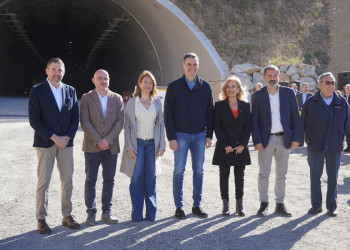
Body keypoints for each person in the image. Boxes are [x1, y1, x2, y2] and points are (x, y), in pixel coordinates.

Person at [28, 58, 80, 234]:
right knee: (44, 181)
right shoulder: (37, 91)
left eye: (60, 70)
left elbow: (75, 117)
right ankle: (41, 218)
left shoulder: (71, 91)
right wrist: (53, 137)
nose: (57, 73)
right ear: (47, 71)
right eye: (53, 69)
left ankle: (67, 215)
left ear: (64, 72)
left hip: (66, 143)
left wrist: (67, 137)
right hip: (45, 143)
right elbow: (34, 120)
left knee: (68, 180)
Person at [164, 52, 214, 219]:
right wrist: (171, 137)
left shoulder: (205, 86)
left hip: (200, 135)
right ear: (183, 65)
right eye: (189, 64)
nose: (192, 68)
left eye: (194, 65)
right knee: (179, 171)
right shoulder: (174, 86)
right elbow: (168, 114)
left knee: (199, 171)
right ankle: (179, 207)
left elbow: (210, 113)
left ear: (198, 66)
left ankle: (196, 205)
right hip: (180, 135)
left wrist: (209, 135)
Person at [251, 65, 301, 217]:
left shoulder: (288, 93)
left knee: (282, 174)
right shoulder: (258, 96)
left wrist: (296, 138)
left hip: (284, 139)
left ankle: (280, 204)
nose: (272, 78)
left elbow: (295, 116)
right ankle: (263, 203)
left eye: (275, 75)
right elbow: (255, 121)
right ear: (264, 77)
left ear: (279, 77)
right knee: (264, 173)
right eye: (269, 75)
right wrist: (257, 140)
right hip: (266, 140)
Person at [80, 69, 124, 226]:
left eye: (106, 78)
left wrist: (108, 140)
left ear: (109, 80)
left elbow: (120, 121)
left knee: (109, 179)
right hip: (92, 147)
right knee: (91, 180)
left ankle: (107, 212)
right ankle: (90, 213)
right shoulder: (87, 98)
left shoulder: (117, 98)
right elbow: (84, 121)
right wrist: (99, 140)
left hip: (111, 148)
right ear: (93, 80)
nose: (103, 81)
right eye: (100, 78)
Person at [120, 70, 166, 222]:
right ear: (139, 84)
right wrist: (128, 146)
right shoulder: (132, 103)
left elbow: (160, 125)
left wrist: (162, 145)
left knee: (151, 179)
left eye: (150, 82)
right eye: (145, 82)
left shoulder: (157, 102)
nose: (147, 84)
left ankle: (151, 214)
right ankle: (137, 214)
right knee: (136, 178)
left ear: (153, 85)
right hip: (137, 144)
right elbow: (127, 126)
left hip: (152, 145)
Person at [302, 72, 349, 217]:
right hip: (315, 146)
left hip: (334, 146)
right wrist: (308, 138)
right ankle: (316, 206)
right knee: (315, 177)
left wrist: (340, 137)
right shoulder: (310, 102)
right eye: (327, 82)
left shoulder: (342, 102)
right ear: (320, 84)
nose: (331, 85)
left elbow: (347, 124)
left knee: (333, 178)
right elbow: (303, 123)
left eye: (333, 83)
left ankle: (332, 206)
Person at [212, 76, 251, 217]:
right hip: (225, 147)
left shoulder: (245, 106)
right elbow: (218, 127)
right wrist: (225, 145)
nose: (230, 89)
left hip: (240, 147)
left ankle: (239, 205)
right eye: (228, 87)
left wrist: (242, 145)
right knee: (224, 176)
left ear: (239, 89)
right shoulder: (219, 105)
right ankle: (225, 204)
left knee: (239, 176)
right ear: (225, 89)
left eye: (233, 86)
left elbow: (248, 127)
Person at [343, 84, 350, 152]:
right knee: (347, 132)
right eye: (346, 88)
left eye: (349, 88)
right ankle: (348, 146)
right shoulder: (344, 97)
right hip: (346, 117)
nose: (348, 89)